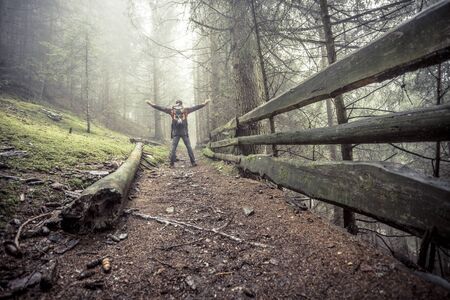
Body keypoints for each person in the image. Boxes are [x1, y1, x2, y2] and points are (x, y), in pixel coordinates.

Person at [145, 99, 209, 167]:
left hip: (176, 133)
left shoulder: (172, 111)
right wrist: (204, 104)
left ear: (176, 104)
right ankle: (193, 162)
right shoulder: (186, 110)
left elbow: (161, 108)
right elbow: (196, 107)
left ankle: (171, 164)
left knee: (173, 148)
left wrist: (151, 104)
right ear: (181, 104)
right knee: (189, 147)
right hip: (184, 132)